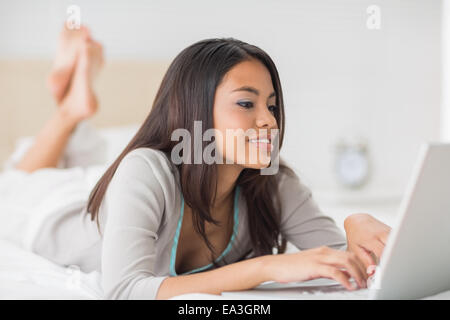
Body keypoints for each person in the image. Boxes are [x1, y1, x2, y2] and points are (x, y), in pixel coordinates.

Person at [8, 25, 391, 300]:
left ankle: (74, 112)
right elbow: (125, 290)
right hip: (46, 211)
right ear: (196, 110)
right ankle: (70, 113)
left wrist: (355, 223)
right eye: (246, 103)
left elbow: (347, 267)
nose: (270, 120)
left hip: (110, 192)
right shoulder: (144, 169)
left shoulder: (272, 182)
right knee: (20, 180)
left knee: (80, 169)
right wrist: (268, 268)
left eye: (272, 105)